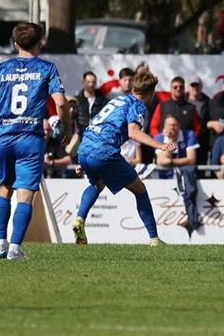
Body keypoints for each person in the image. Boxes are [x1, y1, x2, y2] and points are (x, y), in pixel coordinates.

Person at [0, 23, 70, 260]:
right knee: (25, 193)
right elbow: (62, 103)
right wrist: (63, 125)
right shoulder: (47, 68)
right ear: (40, 43)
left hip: (2, 135)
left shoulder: (0, 68)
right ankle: (15, 249)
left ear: (15, 44)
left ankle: (0, 245)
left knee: (4, 188)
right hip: (29, 137)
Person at [72, 72, 176, 246]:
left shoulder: (117, 100)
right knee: (140, 189)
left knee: (97, 183)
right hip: (103, 151)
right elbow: (133, 132)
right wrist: (160, 145)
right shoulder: (138, 105)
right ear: (150, 92)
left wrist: (87, 159)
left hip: (85, 148)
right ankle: (154, 239)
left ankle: (79, 219)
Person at [155, 115, 201, 234]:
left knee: (189, 193)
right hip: (165, 178)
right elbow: (161, 161)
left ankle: (192, 220)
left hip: (185, 177)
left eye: (174, 125)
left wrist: (171, 162)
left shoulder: (189, 135)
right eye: (169, 125)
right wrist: (169, 142)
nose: (172, 128)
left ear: (179, 126)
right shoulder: (159, 138)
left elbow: (191, 159)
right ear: (164, 127)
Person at [75, 71, 105, 136]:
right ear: (83, 82)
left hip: (98, 135)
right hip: (81, 135)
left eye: (93, 82)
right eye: (88, 82)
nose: (91, 84)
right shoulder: (77, 100)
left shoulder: (103, 100)